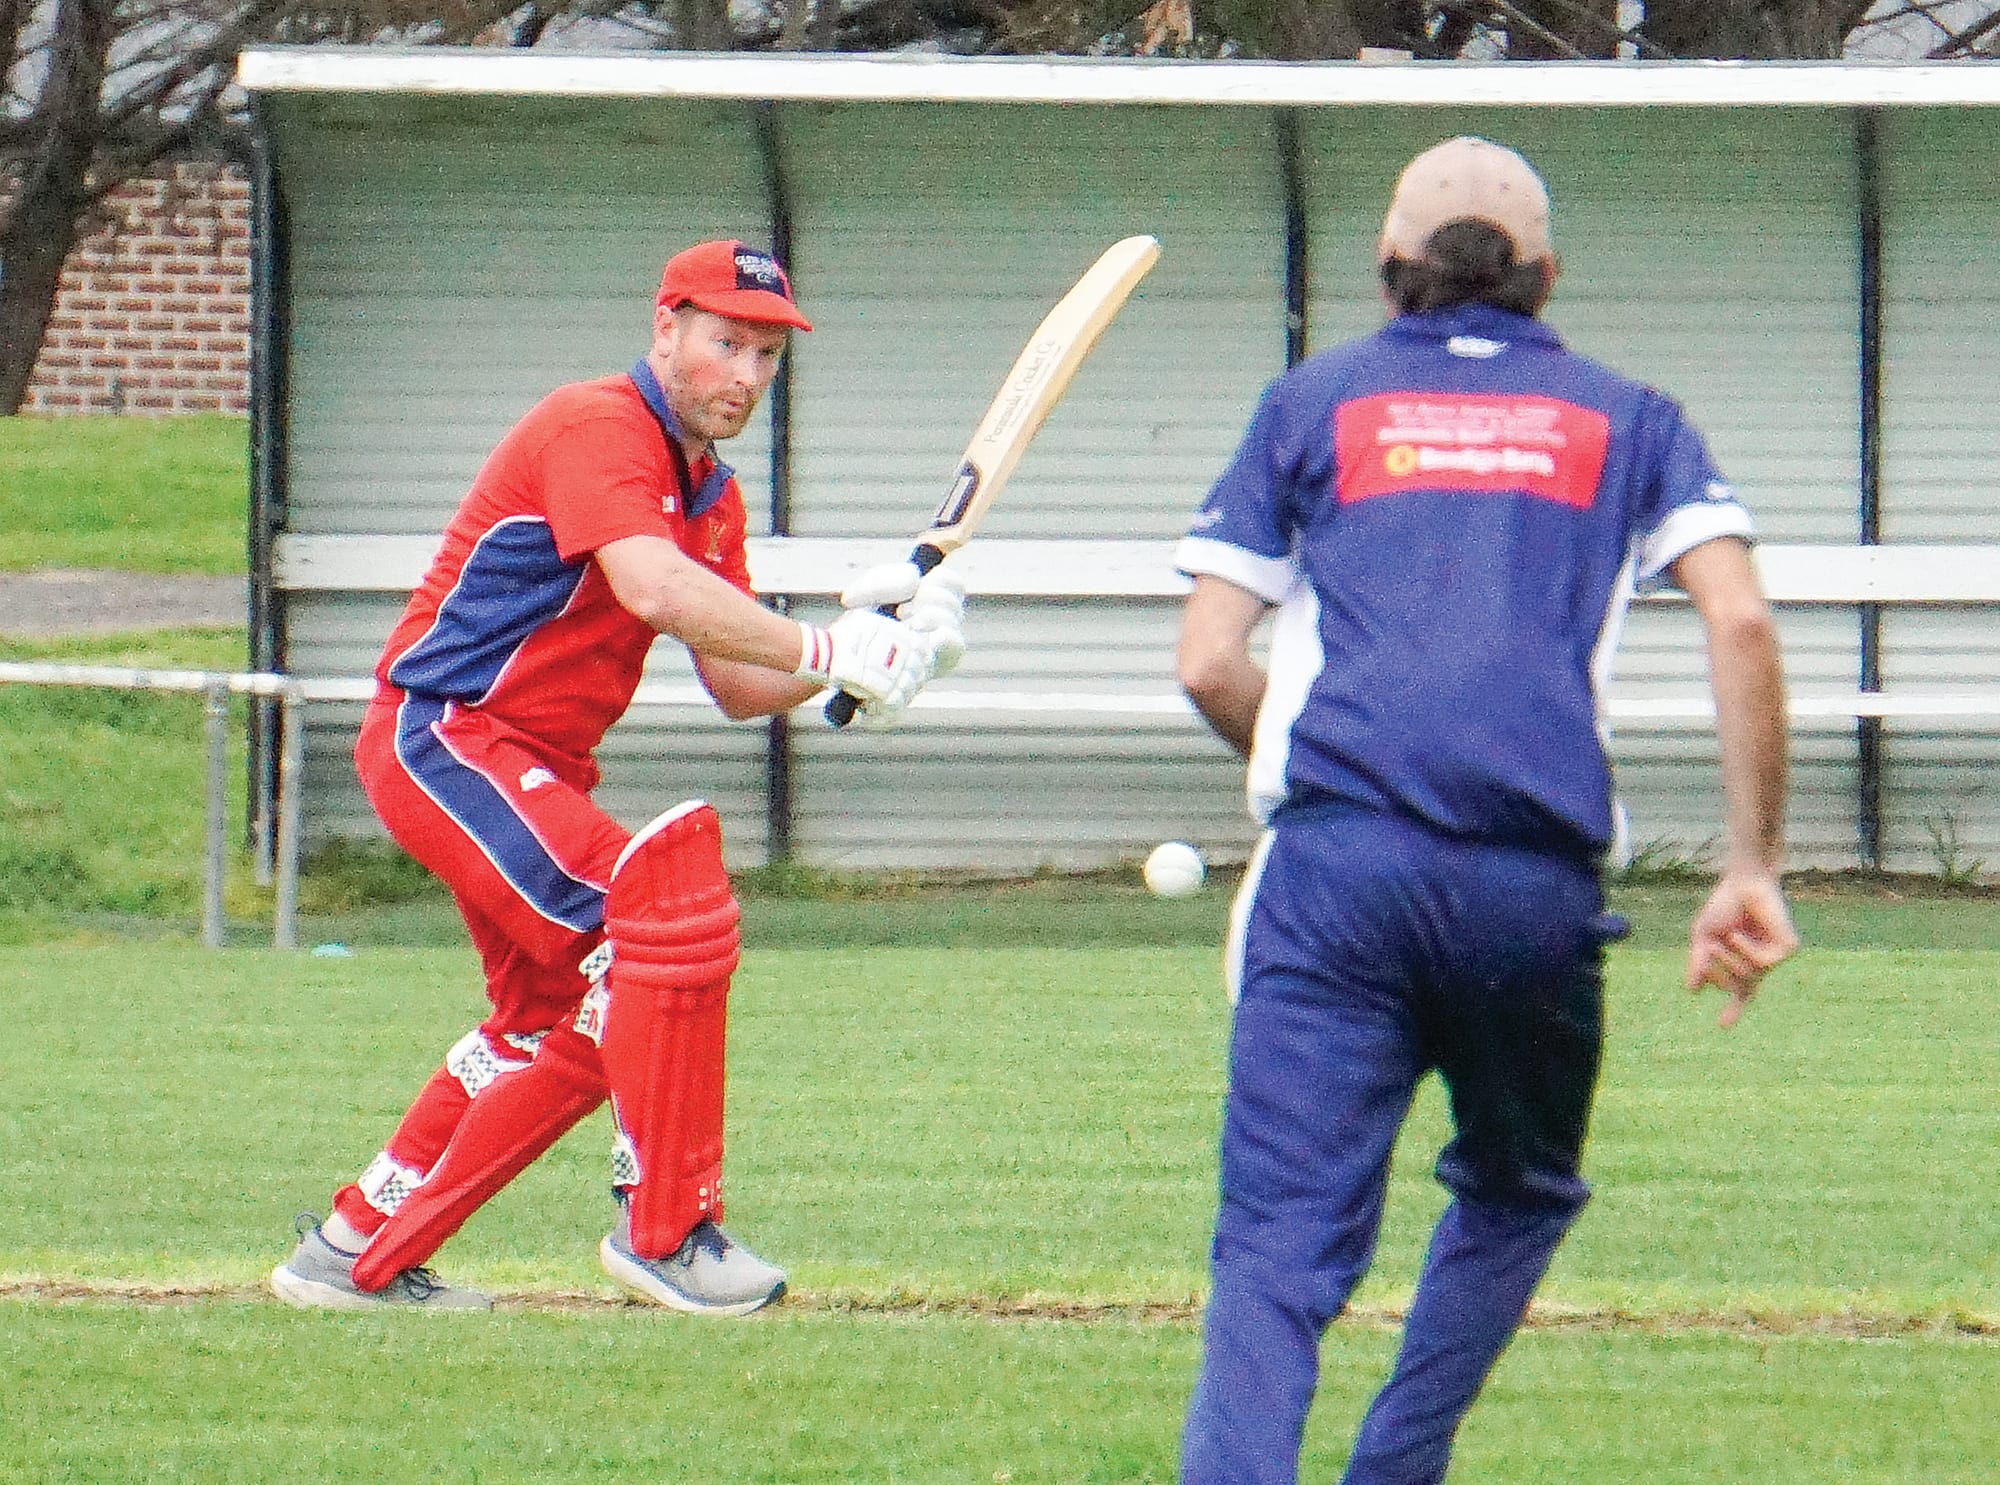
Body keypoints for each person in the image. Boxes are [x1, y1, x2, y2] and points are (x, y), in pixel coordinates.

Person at [1172, 138, 1798, 1483]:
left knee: (1278, 1250)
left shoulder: (1312, 401)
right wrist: (1751, 864)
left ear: (1386, 269)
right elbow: (1739, 617)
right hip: (1532, 888)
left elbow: (1208, 658)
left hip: (1334, 877)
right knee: (1518, 1193)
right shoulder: (1633, 416)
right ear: (1546, 276)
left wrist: (1322, 788)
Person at [271, 239, 967, 1314]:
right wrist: (828, 653)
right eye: (724, 342)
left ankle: (354, 1246)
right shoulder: (597, 424)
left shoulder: (710, 494)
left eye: (765, 356)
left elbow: (737, 680)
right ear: (665, 329)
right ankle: (667, 1232)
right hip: (448, 734)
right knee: (660, 930)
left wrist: (872, 657)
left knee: (550, 1021)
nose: (743, 374)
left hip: (520, 763)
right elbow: (649, 588)